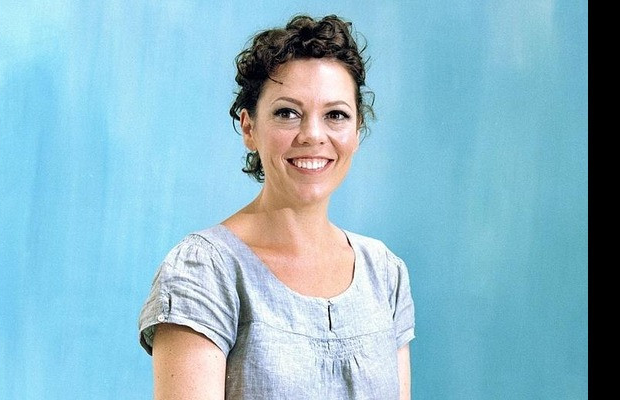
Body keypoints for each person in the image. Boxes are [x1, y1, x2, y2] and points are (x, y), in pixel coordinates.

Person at [138, 14, 415, 399]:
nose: (313, 135)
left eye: (336, 115)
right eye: (288, 113)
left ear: (357, 131)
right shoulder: (205, 271)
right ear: (249, 128)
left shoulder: (384, 273)